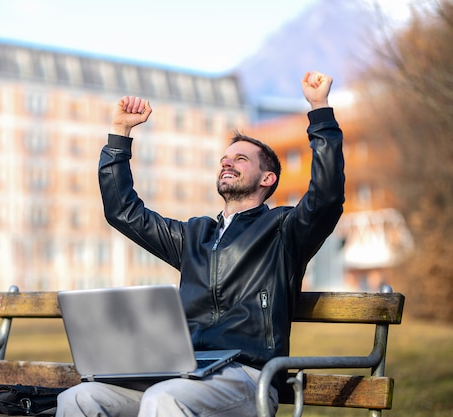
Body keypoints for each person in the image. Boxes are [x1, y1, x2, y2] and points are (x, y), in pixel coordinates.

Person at [56, 71, 345, 417]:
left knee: (164, 399)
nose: (227, 162)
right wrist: (120, 133)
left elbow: (327, 196)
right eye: (225, 158)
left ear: (267, 179)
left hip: (250, 377)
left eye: (241, 159)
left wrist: (319, 109)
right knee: (78, 399)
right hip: (184, 373)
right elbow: (123, 211)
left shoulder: (284, 229)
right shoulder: (193, 235)